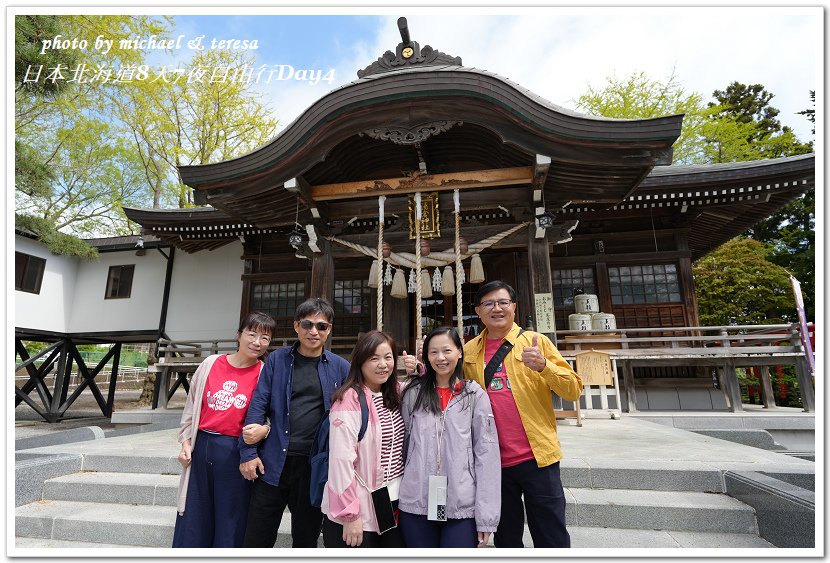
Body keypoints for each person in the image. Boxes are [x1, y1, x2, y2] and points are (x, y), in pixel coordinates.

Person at [463, 280, 583, 548]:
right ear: (478, 311)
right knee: (506, 539)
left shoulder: (535, 341)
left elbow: (574, 389)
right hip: (493, 463)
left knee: (551, 535)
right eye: (489, 304)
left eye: (503, 302)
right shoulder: (469, 351)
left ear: (514, 307)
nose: (497, 308)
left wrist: (544, 367)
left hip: (537, 458)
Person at [238, 297, 350, 548]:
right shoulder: (277, 360)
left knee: (306, 537)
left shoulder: (340, 367)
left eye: (321, 326)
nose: (314, 331)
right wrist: (247, 453)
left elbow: (363, 400)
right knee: (257, 535)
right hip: (274, 461)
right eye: (307, 324)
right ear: (296, 326)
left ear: (329, 329)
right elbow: (259, 403)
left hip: (314, 466)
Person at [172, 311, 276, 548]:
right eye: (251, 334)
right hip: (202, 448)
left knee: (232, 518)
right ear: (239, 335)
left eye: (265, 338)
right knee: (194, 514)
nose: (257, 342)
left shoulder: (265, 373)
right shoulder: (210, 364)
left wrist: (265, 430)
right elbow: (191, 408)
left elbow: (274, 418)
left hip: (236, 452)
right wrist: (186, 443)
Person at [398, 327, 501, 548]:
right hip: (416, 500)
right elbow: (402, 443)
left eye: (447, 350)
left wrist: (486, 517)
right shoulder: (412, 393)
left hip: (460, 505)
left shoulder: (474, 396)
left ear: (460, 352)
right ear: (425, 357)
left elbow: (487, 456)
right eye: (433, 352)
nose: (440, 358)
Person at [321, 330, 406, 548]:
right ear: (360, 361)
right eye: (374, 358)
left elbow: (427, 389)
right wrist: (349, 515)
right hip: (357, 505)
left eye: (388, 357)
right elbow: (341, 462)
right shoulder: (348, 400)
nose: (382, 364)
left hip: (391, 502)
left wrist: (424, 366)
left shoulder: (395, 392)